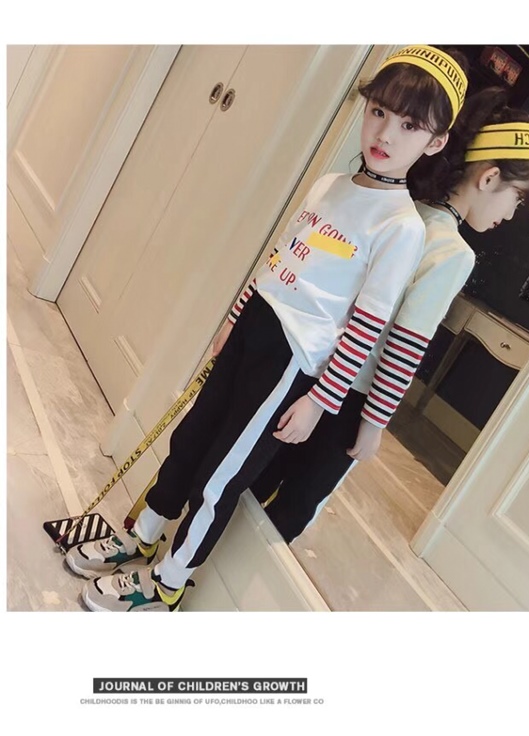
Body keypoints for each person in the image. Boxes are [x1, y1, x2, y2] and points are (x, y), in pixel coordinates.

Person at [64, 45, 470, 612]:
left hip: (290, 360)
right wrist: (234, 320)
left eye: (409, 125)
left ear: (435, 142)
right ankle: (145, 532)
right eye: (379, 111)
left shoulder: (402, 228)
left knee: (221, 474)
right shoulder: (329, 186)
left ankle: (167, 582)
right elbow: (279, 259)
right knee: (192, 436)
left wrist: (320, 402)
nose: (385, 133)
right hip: (254, 326)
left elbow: (366, 327)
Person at [248, 85, 529, 543]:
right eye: (517, 199)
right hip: (351, 396)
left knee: (259, 474)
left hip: (313, 369)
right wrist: (374, 424)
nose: (510, 215)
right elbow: (402, 348)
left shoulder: (399, 210)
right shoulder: (453, 252)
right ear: (489, 179)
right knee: (297, 502)